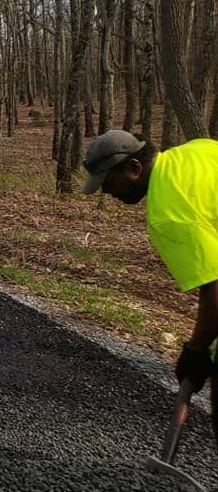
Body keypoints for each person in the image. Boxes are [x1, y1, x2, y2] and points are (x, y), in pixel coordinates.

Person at [82, 130, 218, 406]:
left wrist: (196, 350)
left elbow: (216, 287)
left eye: (107, 182)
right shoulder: (197, 150)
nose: (106, 192)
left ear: (134, 168)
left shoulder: (170, 213)